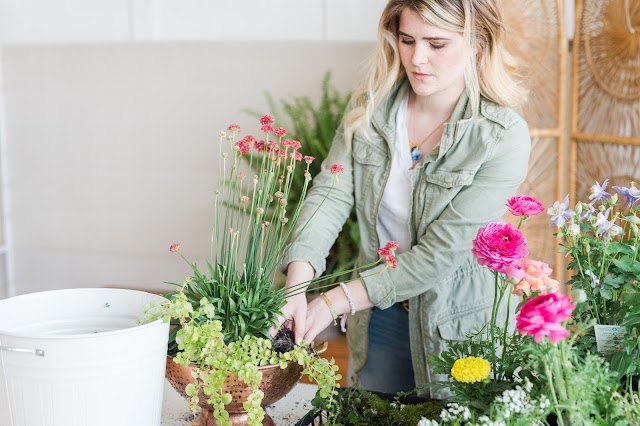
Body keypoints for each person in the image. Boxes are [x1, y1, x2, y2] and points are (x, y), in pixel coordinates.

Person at [276, 0, 531, 397]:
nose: (417, 58)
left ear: (477, 42)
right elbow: (330, 194)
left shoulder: (501, 135)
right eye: (407, 40)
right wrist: (295, 288)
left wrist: (334, 300)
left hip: (458, 326)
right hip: (379, 315)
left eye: (437, 44)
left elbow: (441, 253)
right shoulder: (370, 108)